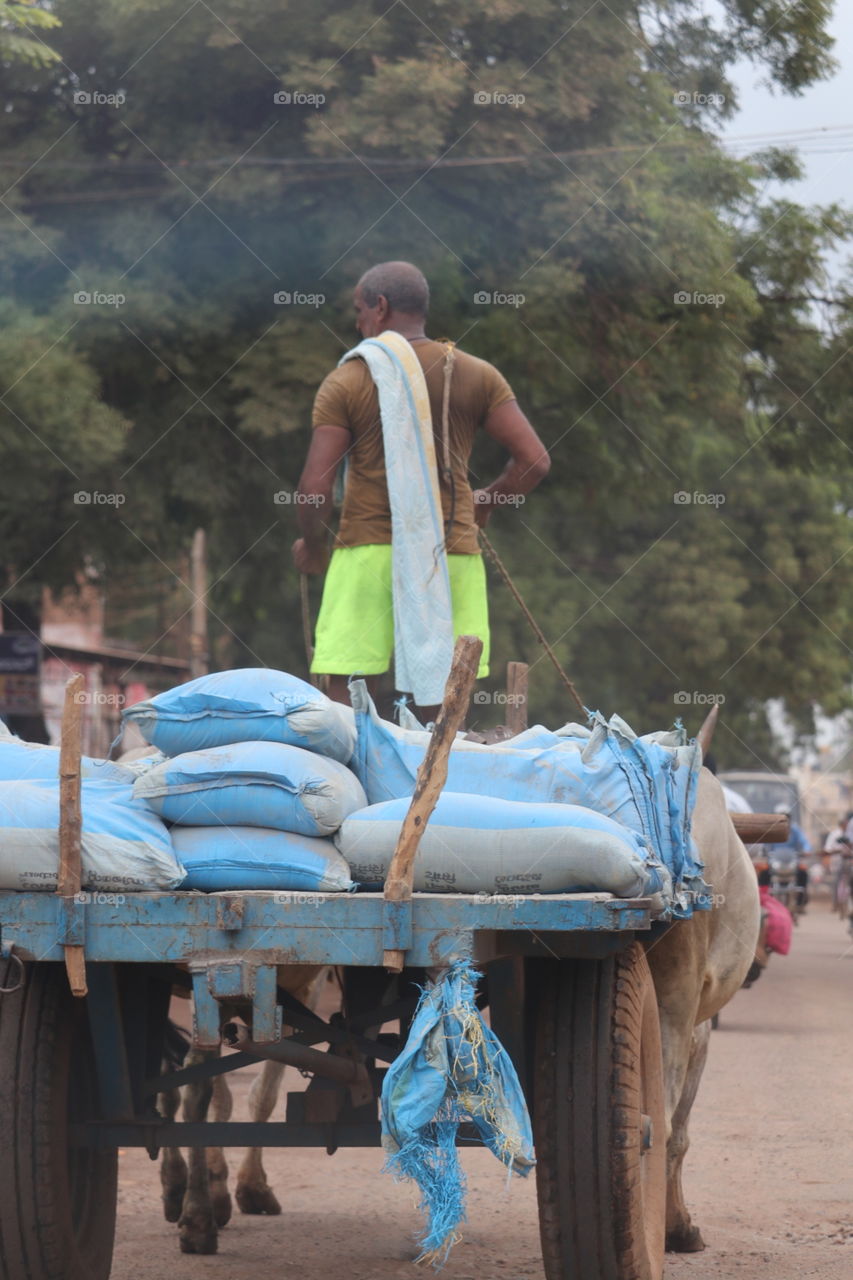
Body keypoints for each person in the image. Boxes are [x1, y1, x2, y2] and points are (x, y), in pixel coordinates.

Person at [292, 261, 550, 717]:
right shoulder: (476, 374)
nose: (358, 323)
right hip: (449, 556)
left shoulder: (349, 379)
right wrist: (484, 499)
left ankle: (356, 784)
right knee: (445, 697)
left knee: (346, 699)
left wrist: (313, 547)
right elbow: (535, 462)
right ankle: (434, 783)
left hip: (367, 552)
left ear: (381, 307)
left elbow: (315, 489)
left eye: (360, 310)